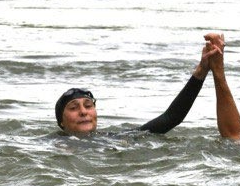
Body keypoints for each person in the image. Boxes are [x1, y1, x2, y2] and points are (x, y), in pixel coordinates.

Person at [54, 41, 213, 136]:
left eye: (88, 106)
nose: (83, 112)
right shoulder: (50, 144)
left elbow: (171, 118)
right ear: (61, 122)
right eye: (74, 108)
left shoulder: (113, 139)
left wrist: (201, 71)